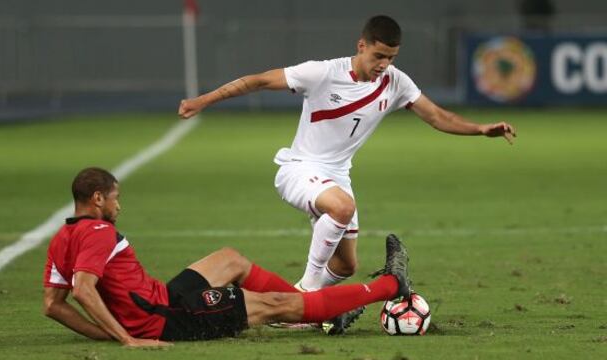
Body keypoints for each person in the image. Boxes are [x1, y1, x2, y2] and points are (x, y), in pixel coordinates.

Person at [178, 15, 516, 294]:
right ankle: (305, 299)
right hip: (299, 169)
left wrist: (481, 129)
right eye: (379, 56)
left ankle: (288, 303)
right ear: (362, 46)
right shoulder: (322, 73)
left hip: (338, 175)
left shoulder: (396, 82)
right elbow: (259, 81)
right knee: (342, 207)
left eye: (391, 58)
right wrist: (202, 100)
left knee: (345, 265)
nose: (384, 65)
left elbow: (438, 116)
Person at [42, 167, 412, 345]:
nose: (118, 205)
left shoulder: (63, 236)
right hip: (168, 319)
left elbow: (53, 304)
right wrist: (125, 338)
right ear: (97, 200)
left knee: (230, 259)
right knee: (278, 304)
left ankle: (325, 310)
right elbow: (84, 289)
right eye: (115, 198)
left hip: (162, 299)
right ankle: (391, 284)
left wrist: (106, 334)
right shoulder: (98, 231)